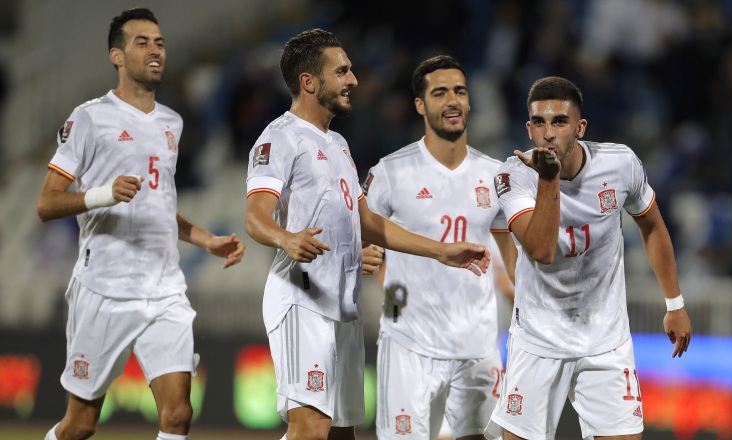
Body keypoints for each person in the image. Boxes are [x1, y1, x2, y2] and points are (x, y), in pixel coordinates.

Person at [244, 30, 491, 440]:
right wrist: (287, 239)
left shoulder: (338, 144)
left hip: (342, 304)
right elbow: (255, 217)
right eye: (341, 71)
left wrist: (440, 251)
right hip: (302, 299)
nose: (353, 80)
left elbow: (369, 222)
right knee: (312, 427)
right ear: (309, 82)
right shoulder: (280, 138)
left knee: (342, 431)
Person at [36, 8, 245, 440]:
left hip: (164, 289)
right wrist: (102, 194)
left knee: (178, 415)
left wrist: (206, 240)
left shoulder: (172, 122)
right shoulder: (89, 118)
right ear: (117, 55)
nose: (155, 50)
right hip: (105, 288)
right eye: (142, 42)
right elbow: (46, 203)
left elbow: (159, 202)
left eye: (160, 43)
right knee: (81, 424)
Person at [484, 76, 692, 440]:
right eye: (540, 122)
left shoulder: (620, 164)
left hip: (605, 339)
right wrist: (549, 180)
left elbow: (653, 227)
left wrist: (674, 303)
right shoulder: (512, 176)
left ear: (579, 127)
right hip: (538, 340)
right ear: (529, 128)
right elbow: (542, 250)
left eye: (560, 122)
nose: (549, 133)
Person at [361, 55, 516, 440]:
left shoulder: (496, 175)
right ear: (420, 104)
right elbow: (361, 235)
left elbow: (512, 257)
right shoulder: (390, 172)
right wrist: (365, 257)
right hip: (408, 342)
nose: (453, 101)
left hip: (476, 343)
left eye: (460, 92)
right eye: (440, 92)